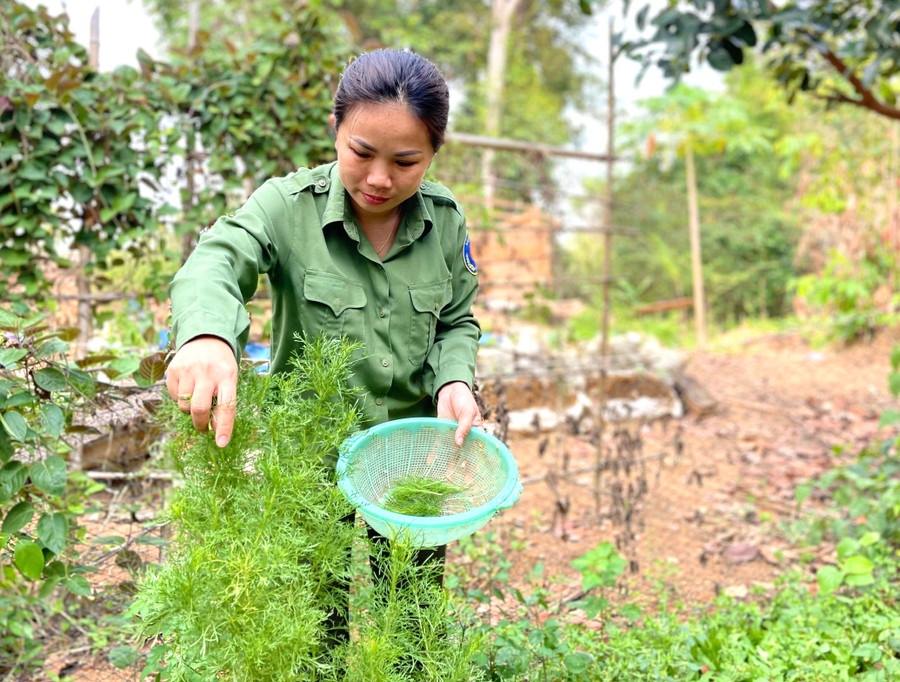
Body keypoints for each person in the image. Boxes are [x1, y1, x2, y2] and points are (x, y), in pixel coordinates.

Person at [163, 48, 482, 654]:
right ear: (336, 129)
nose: (380, 179)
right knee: (314, 630)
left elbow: (457, 320)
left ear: (434, 153)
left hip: (412, 452)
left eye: (406, 162)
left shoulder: (444, 222)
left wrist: (454, 381)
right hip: (309, 460)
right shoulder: (287, 207)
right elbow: (217, 259)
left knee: (410, 625)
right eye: (362, 152)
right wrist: (207, 335)